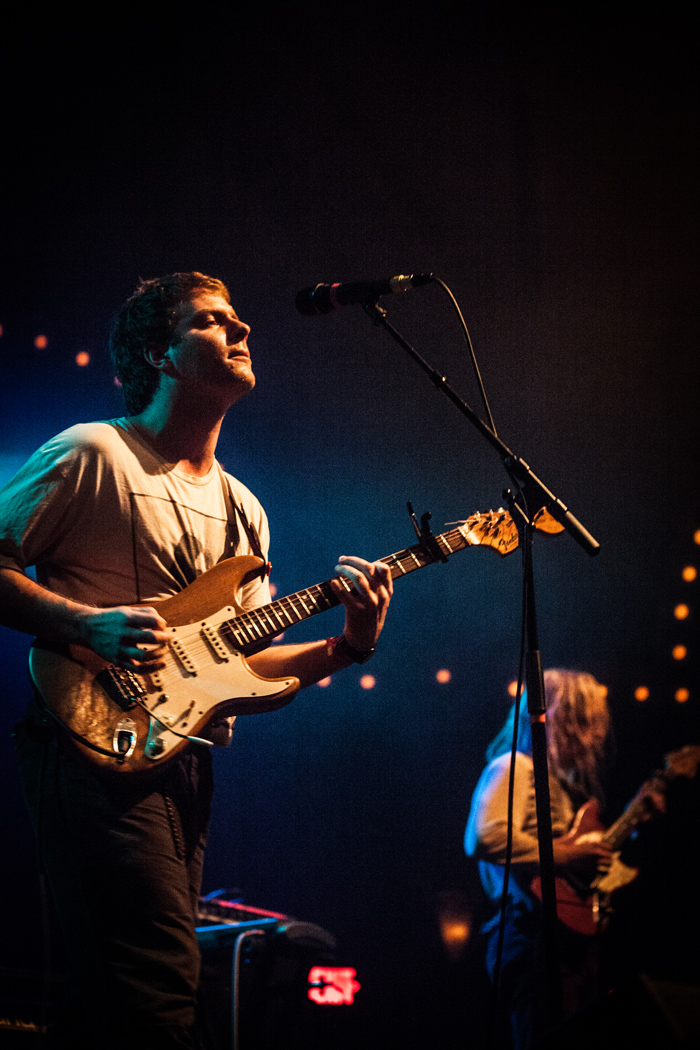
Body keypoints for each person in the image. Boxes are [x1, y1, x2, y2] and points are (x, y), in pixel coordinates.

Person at [0, 272, 393, 1049]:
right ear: (161, 352)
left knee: (110, 1001)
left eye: (240, 318)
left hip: (181, 759)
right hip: (88, 737)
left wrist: (349, 645)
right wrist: (89, 624)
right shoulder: (93, 453)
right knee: (157, 991)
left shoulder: (246, 509)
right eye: (215, 322)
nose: (242, 329)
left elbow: (244, 664)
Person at [465, 670, 615, 1050]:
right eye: (587, 721)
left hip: (557, 935)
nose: (596, 735)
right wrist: (569, 853)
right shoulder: (514, 766)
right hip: (527, 932)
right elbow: (484, 836)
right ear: (561, 718)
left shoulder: (556, 784)